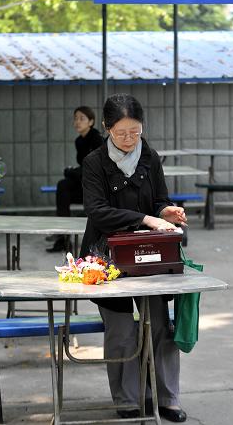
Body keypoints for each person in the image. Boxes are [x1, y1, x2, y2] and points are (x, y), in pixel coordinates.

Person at [80, 94, 188, 422]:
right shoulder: (94, 162)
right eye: (121, 133)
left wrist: (165, 210)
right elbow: (97, 211)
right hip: (106, 256)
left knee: (161, 328)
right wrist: (145, 219)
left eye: (135, 132)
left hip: (150, 255)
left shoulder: (150, 157)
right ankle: (127, 400)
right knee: (123, 329)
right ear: (106, 128)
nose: (129, 139)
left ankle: (166, 399)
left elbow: (160, 199)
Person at [46, 106, 103, 252]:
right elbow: (83, 168)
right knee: (63, 187)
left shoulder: (97, 139)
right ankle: (63, 239)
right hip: (85, 183)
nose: (77, 122)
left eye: (82, 119)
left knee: (64, 184)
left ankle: (69, 240)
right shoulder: (79, 141)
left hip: (97, 188)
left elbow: (94, 169)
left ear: (91, 122)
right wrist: (73, 172)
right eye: (76, 118)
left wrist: (71, 172)